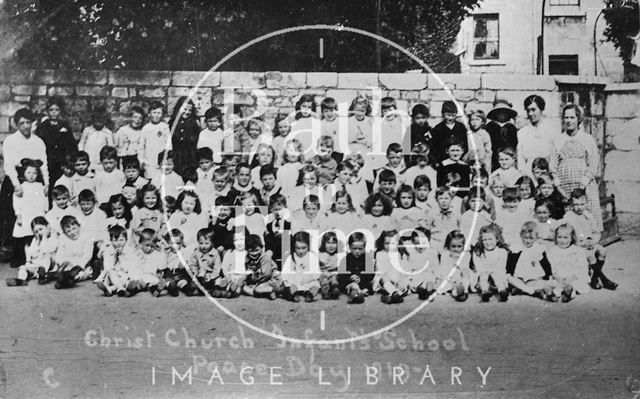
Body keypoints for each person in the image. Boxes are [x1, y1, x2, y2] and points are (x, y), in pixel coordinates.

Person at [550, 103, 603, 232]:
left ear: (579, 119)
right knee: (571, 224)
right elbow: (552, 166)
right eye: (566, 118)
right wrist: (559, 189)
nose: (568, 121)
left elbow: (593, 163)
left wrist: (582, 186)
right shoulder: (558, 140)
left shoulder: (587, 139)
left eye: (572, 117)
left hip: (585, 186)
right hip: (565, 189)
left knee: (588, 220)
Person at [562, 188, 617, 290]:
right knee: (590, 256)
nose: (579, 207)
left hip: (589, 244)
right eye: (576, 204)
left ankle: (595, 277)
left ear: (587, 203)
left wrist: (593, 241)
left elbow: (596, 232)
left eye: (582, 204)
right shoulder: (568, 217)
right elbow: (566, 235)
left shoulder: (588, 216)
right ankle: (604, 280)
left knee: (602, 251)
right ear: (571, 204)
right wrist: (579, 243)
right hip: (576, 246)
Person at [4, 108, 50, 197]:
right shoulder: (10, 141)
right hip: (15, 180)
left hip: (34, 180)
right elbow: (8, 165)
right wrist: (16, 184)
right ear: (17, 125)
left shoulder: (38, 141)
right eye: (22, 123)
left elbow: (43, 164)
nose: (26, 126)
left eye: (28, 122)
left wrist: (46, 182)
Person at [11, 158, 48, 268]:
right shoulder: (21, 187)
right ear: (24, 173)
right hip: (26, 214)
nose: (32, 175)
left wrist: (45, 212)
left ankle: (38, 258)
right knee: (26, 238)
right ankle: (25, 259)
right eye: (29, 173)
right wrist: (19, 215)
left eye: (34, 173)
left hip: (37, 213)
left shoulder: (40, 186)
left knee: (37, 236)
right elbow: (16, 201)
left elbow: (45, 200)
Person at [6, 217, 58, 286]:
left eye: (41, 229)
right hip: (37, 264)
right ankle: (22, 280)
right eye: (36, 231)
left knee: (48, 257)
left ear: (48, 226)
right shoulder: (35, 240)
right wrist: (37, 244)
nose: (39, 232)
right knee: (23, 267)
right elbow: (32, 253)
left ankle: (43, 274)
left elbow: (50, 249)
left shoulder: (53, 237)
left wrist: (44, 239)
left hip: (50, 264)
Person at [35, 98, 75, 189]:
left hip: (61, 163)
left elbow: (71, 145)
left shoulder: (65, 126)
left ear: (60, 111)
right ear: (47, 111)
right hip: (47, 162)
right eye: (51, 110)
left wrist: (68, 160)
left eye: (57, 110)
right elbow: (38, 144)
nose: (54, 112)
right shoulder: (42, 127)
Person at [517, 95, 557, 177]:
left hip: (546, 172)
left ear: (541, 109)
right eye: (528, 110)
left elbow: (554, 156)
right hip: (528, 173)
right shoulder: (522, 132)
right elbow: (520, 158)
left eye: (533, 110)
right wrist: (523, 175)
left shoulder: (551, 131)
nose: (530, 113)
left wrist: (552, 174)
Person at [53, 215, 94, 289]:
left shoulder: (86, 237)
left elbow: (88, 255)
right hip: (69, 264)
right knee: (64, 270)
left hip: (82, 264)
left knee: (84, 273)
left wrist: (79, 265)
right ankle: (66, 278)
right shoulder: (63, 239)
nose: (72, 232)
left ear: (79, 226)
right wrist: (63, 262)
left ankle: (68, 280)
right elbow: (59, 253)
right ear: (64, 233)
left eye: (74, 228)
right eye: (68, 231)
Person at [95, 225, 137, 297]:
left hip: (124, 274)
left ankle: (111, 289)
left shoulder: (129, 250)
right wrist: (113, 256)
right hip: (112, 275)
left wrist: (121, 256)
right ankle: (120, 288)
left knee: (128, 279)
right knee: (111, 273)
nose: (118, 243)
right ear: (111, 241)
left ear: (126, 240)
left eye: (121, 240)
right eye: (115, 240)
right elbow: (108, 267)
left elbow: (128, 268)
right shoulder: (108, 250)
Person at [472, 223, 510, 302]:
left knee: (495, 274)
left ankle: (501, 291)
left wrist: (492, 272)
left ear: (497, 239)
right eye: (485, 240)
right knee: (484, 274)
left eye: (490, 239)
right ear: (481, 240)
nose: (488, 242)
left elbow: (501, 267)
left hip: (498, 278)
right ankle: (485, 292)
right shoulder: (478, 252)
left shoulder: (502, 252)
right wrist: (486, 272)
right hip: (484, 280)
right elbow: (479, 268)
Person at [281, 231, 321, 302]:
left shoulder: (311, 256)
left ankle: (310, 294)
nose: (301, 251)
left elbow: (316, 273)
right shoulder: (291, 257)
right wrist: (286, 280)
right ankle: (294, 294)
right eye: (298, 248)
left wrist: (310, 277)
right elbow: (285, 272)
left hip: (308, 282)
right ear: (294, 247)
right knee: (290, 285)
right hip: (295, 281)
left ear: (308, 246)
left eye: (304, 248)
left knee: (315, 285)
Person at [138, 102, 172, 178]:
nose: (156, 115)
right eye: (154, 112)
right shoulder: (146, 128)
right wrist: (141, 161)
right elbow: (141, 147)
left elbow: (169, 145)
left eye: (159, 113)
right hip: (149, 162)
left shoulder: (165, 127)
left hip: (162, 162)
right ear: (149, 113)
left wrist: (167, 159)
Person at [430, 101, 468, 167]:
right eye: (448, 115)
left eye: (453, 115)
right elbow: (435, 147)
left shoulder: (461, 127)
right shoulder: (438, 128)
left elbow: (465, 145)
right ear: (443, 114)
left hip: (458, 159)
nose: (450, 118)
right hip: (443, 161)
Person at [485, 98, 518, 171]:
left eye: (504, 112)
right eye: (499, 112)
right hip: (494, 159)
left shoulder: (511, 128)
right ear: (495, 114)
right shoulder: (489, 127)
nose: (502, 115)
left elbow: (515, 144)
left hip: (508, 158)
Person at [170, 97, 200, 175]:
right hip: (177, 156)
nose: (187, 112)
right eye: (185, 109)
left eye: (190, 110)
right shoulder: (172, 122)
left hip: (190, 156)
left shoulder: (194, 123)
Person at [318, 231, 343, 300]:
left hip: (334, 274)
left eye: (334, 243)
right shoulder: (320, 255)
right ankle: (325, 292)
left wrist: (335, 273)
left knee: (334, 279)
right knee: (324, 280)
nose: (331, 246)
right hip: (323, 274)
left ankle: (335, 289)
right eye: (328, 243)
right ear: (324, 244)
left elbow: (340, 268)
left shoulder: (338, 255)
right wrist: (323, 273)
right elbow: (317, 268)